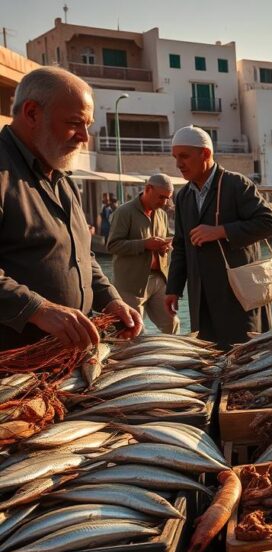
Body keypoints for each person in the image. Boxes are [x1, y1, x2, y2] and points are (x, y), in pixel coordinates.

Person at [0, 66, 142, 349]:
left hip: (67, 362)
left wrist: (109, 299)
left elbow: (82, 255)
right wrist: (37, 309)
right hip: (13, 371)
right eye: (75, 123)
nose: (85, 137)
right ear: (31, 113)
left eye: (87, 124)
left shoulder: (60, 177)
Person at [164, 126, 272, 349]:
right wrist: (173, 289)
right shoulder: (184, 196)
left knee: (247, 358)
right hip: (202, 300)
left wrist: (221, 231)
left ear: (205, 154)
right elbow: (180, 246)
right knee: (210, 360)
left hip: (239, 297)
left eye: (184, 156)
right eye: (175, 157)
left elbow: (269, 223)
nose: (178, 164)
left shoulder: (236, 184)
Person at [107, 173, 180, 334]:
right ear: (148, 189)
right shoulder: (124, 211)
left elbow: (160, 241)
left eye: (167, 198)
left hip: (159, 279)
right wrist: (145, 244)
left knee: (172, 323)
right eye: (161, 197)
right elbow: (112, 245)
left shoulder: (161, 213)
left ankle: (170, 359)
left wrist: (164, 247)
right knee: (132, 333)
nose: (165, 202)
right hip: (131, 284)